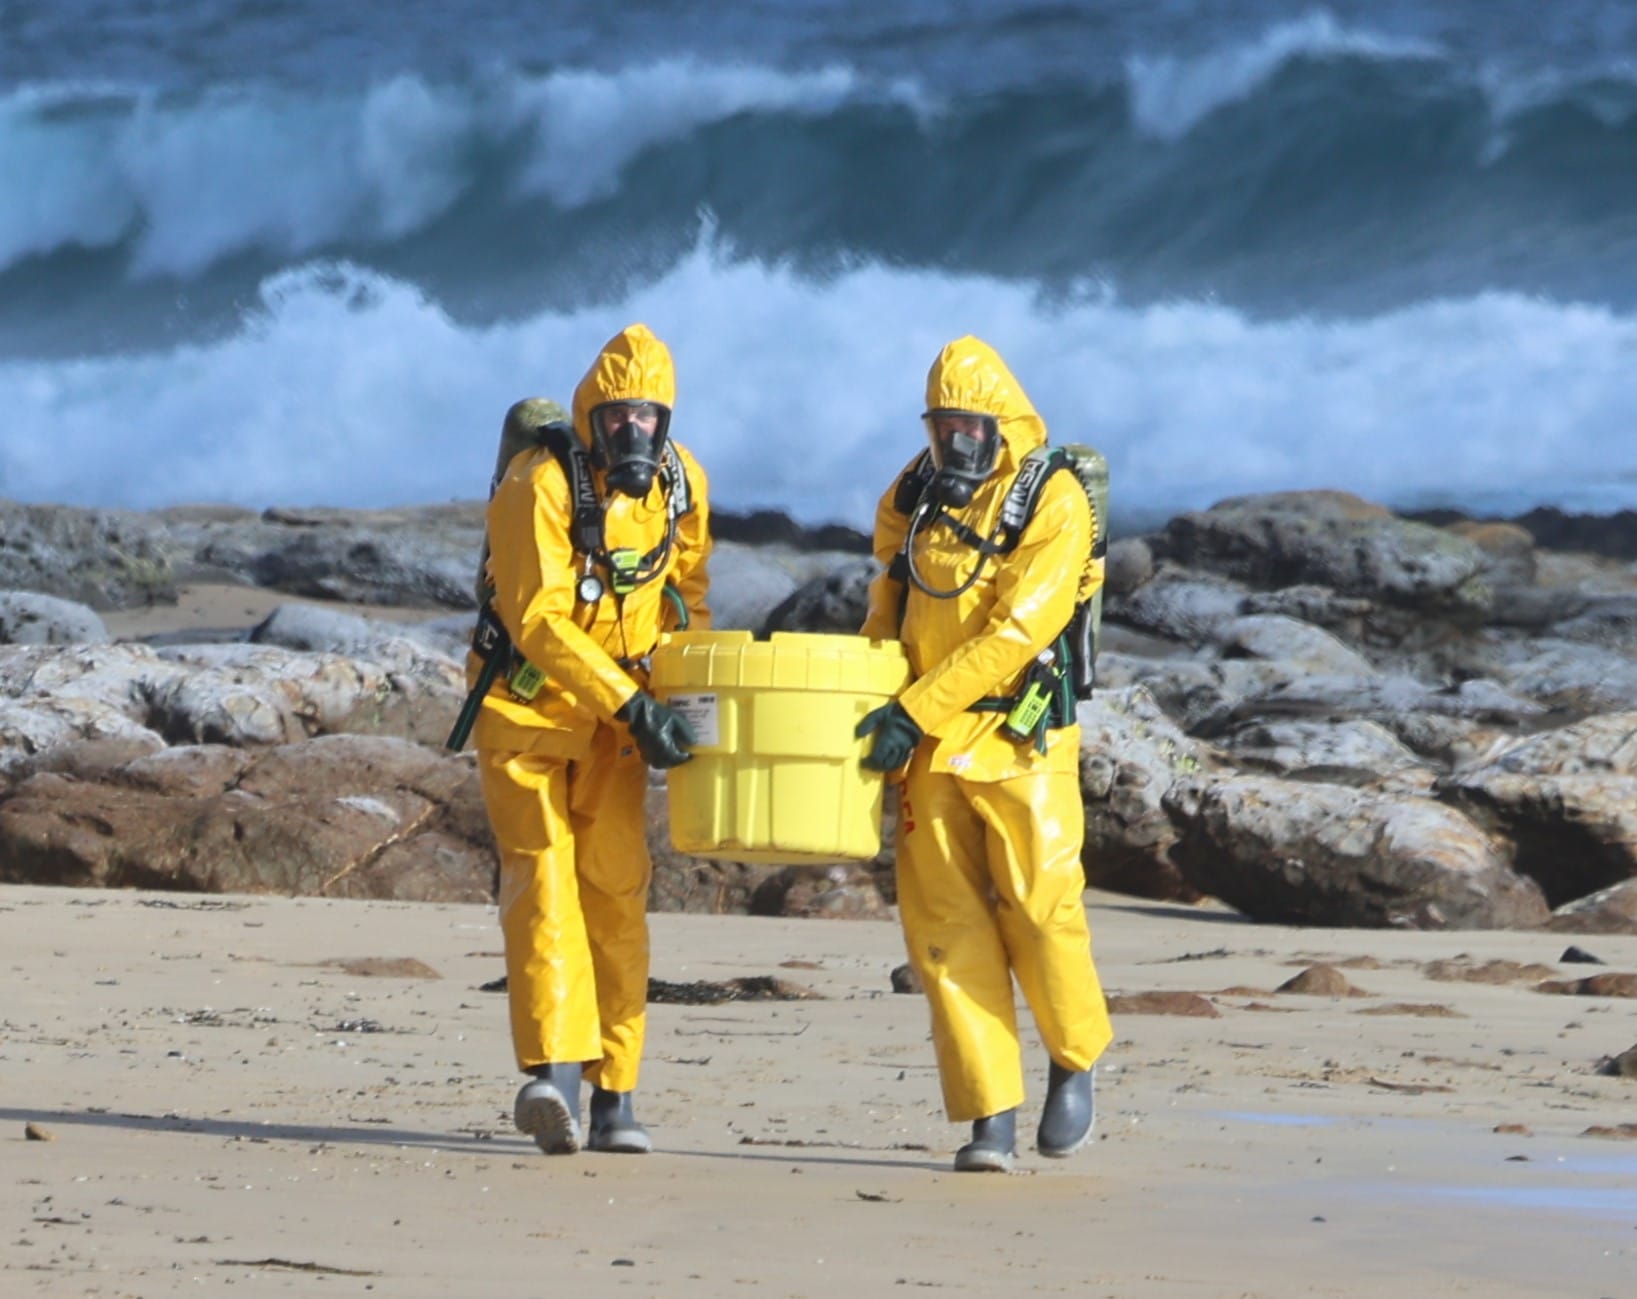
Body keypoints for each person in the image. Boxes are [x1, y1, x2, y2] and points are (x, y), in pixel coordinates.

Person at [856, 335, 1113, 1173]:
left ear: (1002, 423)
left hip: (1017, 736)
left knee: (1042, 910)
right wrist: (865, 701)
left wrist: (912, 709)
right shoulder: (915, 492)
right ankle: (987, 1114)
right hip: (925, 748)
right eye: (942, 428)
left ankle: (1073, 1059)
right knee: (943, 929)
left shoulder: (1052, 498)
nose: (955, 445)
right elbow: (886, 605)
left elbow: (1017, 632)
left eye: (970, 428)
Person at [470, 322, 711, 1156]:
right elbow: (534, 620)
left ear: (666, 419)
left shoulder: (682, 488)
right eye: (616, 418)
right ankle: (553, 1075)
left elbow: (690, 598)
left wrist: (688, 699)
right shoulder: (536, 485)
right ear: (590, 416)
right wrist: (628, 702)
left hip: (616, 735)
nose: (631, 433)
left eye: (646, 417)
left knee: (614, 892)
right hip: (529, 716)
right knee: (542, 887)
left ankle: (618, 1093)